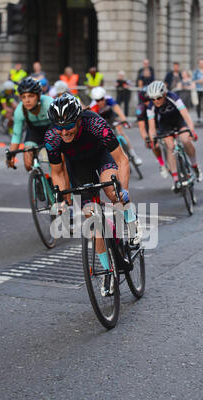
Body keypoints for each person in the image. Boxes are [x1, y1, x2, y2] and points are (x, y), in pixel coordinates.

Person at [44, 94, 141, 295]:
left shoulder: (96, 123)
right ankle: (108, 270)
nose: (64, 131)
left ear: (79, 119)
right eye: (59, 126)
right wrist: (61, 201)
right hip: (78, 168)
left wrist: (123, 191)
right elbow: (58, 172)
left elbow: (122, 160)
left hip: (101, 157)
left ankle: (130, 220)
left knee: (113, 193)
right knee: (93, 220)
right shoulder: (52, 137)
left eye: (69, 125)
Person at [146, 80, 203, 192]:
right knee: (170, 147)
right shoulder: (151, 107)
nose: (156, 101)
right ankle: (176, 180)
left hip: (179, 121)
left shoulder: (174, 97)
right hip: (165, 125)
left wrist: (191, 130)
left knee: (185, 140)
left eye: (158, 97)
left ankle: (195, 166)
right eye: (153, 98)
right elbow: (151, 127)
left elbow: (186, 115)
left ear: (164, 94)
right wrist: (153, 139)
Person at [7, 77, 53, 171]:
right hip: (34, 134)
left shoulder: (49, 104)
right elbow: (16, 136)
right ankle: (37, 181)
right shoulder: (20, 110)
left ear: (39, 96)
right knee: (28, 163)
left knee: (55, 164)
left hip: (51, 131)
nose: (27, 100)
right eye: (24, 97)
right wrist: (11, 155)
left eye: (31, 96)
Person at [90, 86, 142, 166]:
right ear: (95, 100)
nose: (101, 102)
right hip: (101, 119)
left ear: (104, 97)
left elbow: (118, 109)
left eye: (102, 99)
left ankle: (134, 155)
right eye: (98, 100)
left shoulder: (109, 99)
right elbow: (94, 121)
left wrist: (124, 120)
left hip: (110, 116)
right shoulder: (93, 107)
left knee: (120, 132)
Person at [136, 87, 168, 178]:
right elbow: (142, 128)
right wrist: (147, 139)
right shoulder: (141, 108)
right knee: (154, 145)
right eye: (145, 101)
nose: (148, 103)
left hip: (162, 123)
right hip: (149, 126)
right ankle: (161, 163)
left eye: (149, 100)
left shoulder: (158, 102)